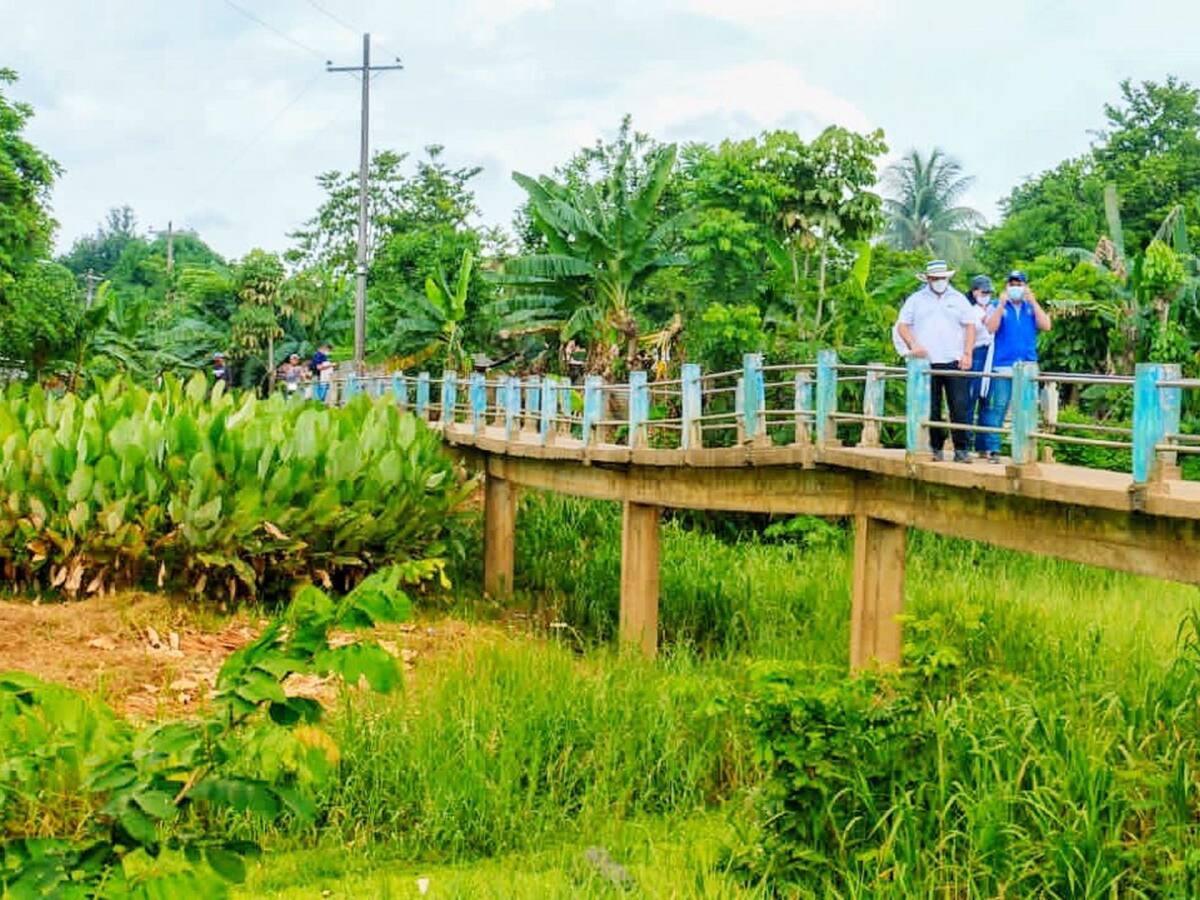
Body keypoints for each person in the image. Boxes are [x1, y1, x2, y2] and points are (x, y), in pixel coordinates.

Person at [894, 260, 977, 462]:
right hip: (926, 362)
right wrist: (914, 345)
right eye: (935, 278)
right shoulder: (916, 300)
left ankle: (961, 449)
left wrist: (967, 353)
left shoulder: (958, 299)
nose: (939, 282)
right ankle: (934, 447)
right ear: (928, 279)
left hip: (954, 360)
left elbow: (970, 326)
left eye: (942, 278)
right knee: (930, 408)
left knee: (959, 406)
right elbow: (902, 325)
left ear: (947, 278)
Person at [976, 270, 1052, 461]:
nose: (1015, 287)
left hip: (1028, 365)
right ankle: (993, 449)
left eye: (1019, 284)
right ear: (1006, 286)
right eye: (1012, 284)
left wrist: (1034, 302)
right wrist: (1001, 305)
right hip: (1003, 364)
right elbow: (990, 327)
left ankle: (1025, 450)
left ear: (1025, 286)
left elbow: (1046, 325)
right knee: (998, 406)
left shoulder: (1030, 307)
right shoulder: (996, 305)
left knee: (1026, 407)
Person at [964, 275, 996, 458]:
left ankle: (983, 446)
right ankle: (965, 444)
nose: (986, 295)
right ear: (975, 292)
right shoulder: (969, 310)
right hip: (976, 353)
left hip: (991, 355)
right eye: (983, 292)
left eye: (988, 292)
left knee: (987, 401)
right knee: (970, 399)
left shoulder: (993, 308)